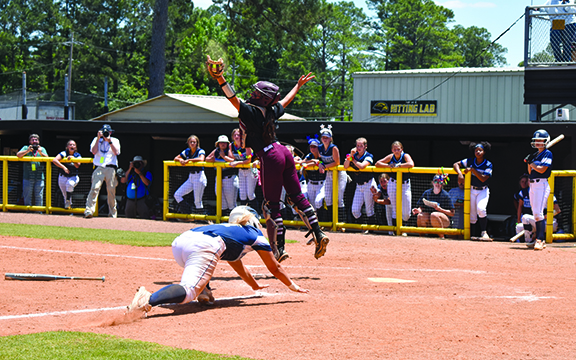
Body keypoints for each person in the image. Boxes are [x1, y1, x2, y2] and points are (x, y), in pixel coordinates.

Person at [208, 56, 328, 261]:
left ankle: (280, 248)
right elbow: (285, 102)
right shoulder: (272, 109)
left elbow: (232, 98)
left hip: (269, 155)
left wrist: (220, 78)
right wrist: (298, 86)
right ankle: (318, 232)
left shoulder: (252, 111)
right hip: (283, 151)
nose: (252, 94)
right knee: (297, 197)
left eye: (256, 93)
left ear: (264, 98)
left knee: (272, 205)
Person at [125, 206, 308, 316]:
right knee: (189, 291)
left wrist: (254, 285)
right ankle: (147, 299)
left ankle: (204, 290)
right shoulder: (255, 234)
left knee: (206, 263)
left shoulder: (230, 231)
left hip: (181, 242)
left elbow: (237, 264)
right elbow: (275, 268)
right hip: (204, 246)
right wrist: (293, 286)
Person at [453, 141, 493, 241]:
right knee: (472, 214)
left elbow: (484, 178)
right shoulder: (470, 161)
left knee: (481, 209)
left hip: (482, 190)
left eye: (480, 150)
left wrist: (473, 170)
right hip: (471, 189)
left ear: (484, 152)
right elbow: (455, 164)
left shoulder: (488, 164)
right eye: (476, 150)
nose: (478, 152)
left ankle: (484, 233)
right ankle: (473, 235)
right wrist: (460, 174)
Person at [375, 141, 414, 232]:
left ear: (401, 149)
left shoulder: (405, 156)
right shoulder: (391, 156)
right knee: (394, 208)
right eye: (395, 149)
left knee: (406, 213)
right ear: (392, 150)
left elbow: (411, 164)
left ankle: (404, 229)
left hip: (405, 184)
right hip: (393, 183)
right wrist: (389, 165)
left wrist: (399, 165)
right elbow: (377, 163)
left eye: (398, 149)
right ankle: (395, 231)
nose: (396, 151)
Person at [525, 129, 554, 250]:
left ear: (545, 141)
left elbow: (542, 169)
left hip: (541, 184)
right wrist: (529, 162)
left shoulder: (548, 153)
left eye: (540, 140)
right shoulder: (536, 154)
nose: (538, 142)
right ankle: (538, 238)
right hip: (532, 185)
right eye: (536, 140)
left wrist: (531, 163)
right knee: (536, 214)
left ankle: (540, 240)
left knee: (538, 213)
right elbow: (530, 172)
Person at [84, 124, 121, 218]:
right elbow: (93, 151)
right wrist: (98, 138)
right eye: (104, 132)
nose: (105, 134)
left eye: (107, 132)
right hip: (99, 167)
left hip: (111, 168)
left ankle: (112, 213)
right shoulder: (96, 140)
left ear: (111, 132)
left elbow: (116, 152)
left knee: (111, 191)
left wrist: (109, 141)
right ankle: (89, 210)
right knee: (94, 188)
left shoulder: (115, 140)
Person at [318, 124, 348, 222]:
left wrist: (325, 166)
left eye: (327, 137)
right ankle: (331, 222)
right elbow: (320, 159)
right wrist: (320, 164)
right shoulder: (320, 147)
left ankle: (341, 223)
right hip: (329, 173)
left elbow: (337, 162)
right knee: (328, 199)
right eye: (323, 137)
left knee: (339, 199)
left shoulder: (333, 147)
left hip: (339, 173)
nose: (325, 139)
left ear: (331, 138)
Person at [344, 137, 376, 224]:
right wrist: (350, 155)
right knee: (355, 210)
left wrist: (353, 159)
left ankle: (370, 231)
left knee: (369, 210)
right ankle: (362, 227)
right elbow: (345, 166)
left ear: (365, 146)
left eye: (361, 146)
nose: (358, 148)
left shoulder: (369, 155)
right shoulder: (353, 155)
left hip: (368, 184)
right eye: (357, 145)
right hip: (359, 185)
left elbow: (362, 166)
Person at [411, 174, 455, 239]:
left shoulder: (445, 195)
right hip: (430, 219)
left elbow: (452, 213)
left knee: (434, 215)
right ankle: (421, 238)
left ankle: (442, 237)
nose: (438, 184)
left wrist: (440, 209)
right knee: (420, 216)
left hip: (444, 220)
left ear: (442, 184)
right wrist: (418, 210)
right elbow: (421, 207)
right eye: (436, 181)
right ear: (432, 182)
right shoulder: (427, 193)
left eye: (440, 182)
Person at [173, 135, 207, 215]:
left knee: (197, 201)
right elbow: (175, 158)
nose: (192, 143)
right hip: (191, 177)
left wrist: (189, 160)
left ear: (197, 143)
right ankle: (187, 211)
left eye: (194, 142)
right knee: (177, 194)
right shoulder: (187, 151)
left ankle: (201, 219)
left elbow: (202, 158)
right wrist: (181, 160)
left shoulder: (200, 150)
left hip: (199, 177)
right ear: (188, 143)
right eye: (191, 142)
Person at [206, 135, 238, 215]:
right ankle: (223, 221)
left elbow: (233, 160)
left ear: (227, 144)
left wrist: (223, 156)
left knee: (231, 203)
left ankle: (233, 222)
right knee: (221, 201)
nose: (223, 144)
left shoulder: (229, 150)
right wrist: (211, 159)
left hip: (229, 179)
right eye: (221, 143)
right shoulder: (216, 151)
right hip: (219, 178)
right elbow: (207, 159)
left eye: (225, 143)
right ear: (218, 144)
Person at [229, 128, 258, 210]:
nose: (236, 136)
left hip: (250, 170)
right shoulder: (231, 145)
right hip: (241, 171)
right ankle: (243, 212)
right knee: (242, 194)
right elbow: (233, 158)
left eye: (238, 134)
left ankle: (257, 213)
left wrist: (237, 163)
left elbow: (248, 160)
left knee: (250, 194)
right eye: (235, 135)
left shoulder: (246, 144)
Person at [16, 134, 49, 208]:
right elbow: (18, 155)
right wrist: (27, 151)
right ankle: (28, 212)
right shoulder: (25, 147)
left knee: (39, 196)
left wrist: (40, 152)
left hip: (39, 177)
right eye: (33, 140)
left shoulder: (42, 149)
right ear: (29, 141)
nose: (34, 141)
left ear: (39, 141)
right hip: (27, 176)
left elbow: (48, 158)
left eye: (36, 140)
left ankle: (39, 212)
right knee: (27, 195)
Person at [52, 140, 81, 209]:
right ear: (67, 147)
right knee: (65, 194)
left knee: (70, 184)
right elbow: (54, 160)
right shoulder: (64, 153)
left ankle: (68, 203)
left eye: (73, 145)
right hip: (63, 176)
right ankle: (69, 208)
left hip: (73, 176)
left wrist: (73, 159)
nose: (72, 146)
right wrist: (64, 167)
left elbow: (78, 165)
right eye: (70, 145)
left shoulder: (77, 155)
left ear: (76, 147)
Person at [302, 137, 326, 212]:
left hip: (321, 183)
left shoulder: (322, 155)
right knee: (312, 207)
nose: (312, 148)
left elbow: (323, 163)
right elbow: (303, 162)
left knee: (318, 202)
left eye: (314, 147)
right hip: (311, 183)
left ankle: (323, 221)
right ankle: (315, 222)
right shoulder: (309, 156)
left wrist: (317, 162)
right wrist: (313, 161)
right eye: (311, 146)